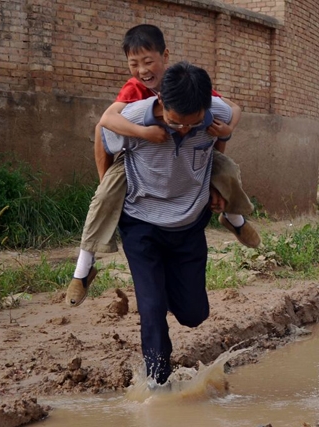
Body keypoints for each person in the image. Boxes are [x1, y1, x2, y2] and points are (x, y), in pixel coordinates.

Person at [65, 24, 259, 307]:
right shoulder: (134, 90)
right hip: (140, 161)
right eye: (134, 63)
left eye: (148, 61)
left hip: (192, 156)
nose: (143, 70)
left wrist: (225, 131)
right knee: (104, 198)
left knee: (228, 170)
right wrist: (139, 138)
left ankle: (234, 218)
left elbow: (232, 109)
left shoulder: (185, 85)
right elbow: (104, 123)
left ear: (165, 56)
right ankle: (83, 270)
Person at [104, 60, 229, 386]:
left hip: (189, 225)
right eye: (176, 123)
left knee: (194, 314)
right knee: (151, 309)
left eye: (193, 123)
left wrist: (218, 179)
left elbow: (229, 124)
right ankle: (158, 384)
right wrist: (106, 190)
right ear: (161, 103)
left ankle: (162, 294)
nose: (184, 130)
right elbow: (101, 136)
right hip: (141, 224)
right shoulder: (132, 118)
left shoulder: (215, 113)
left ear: (206, 107)